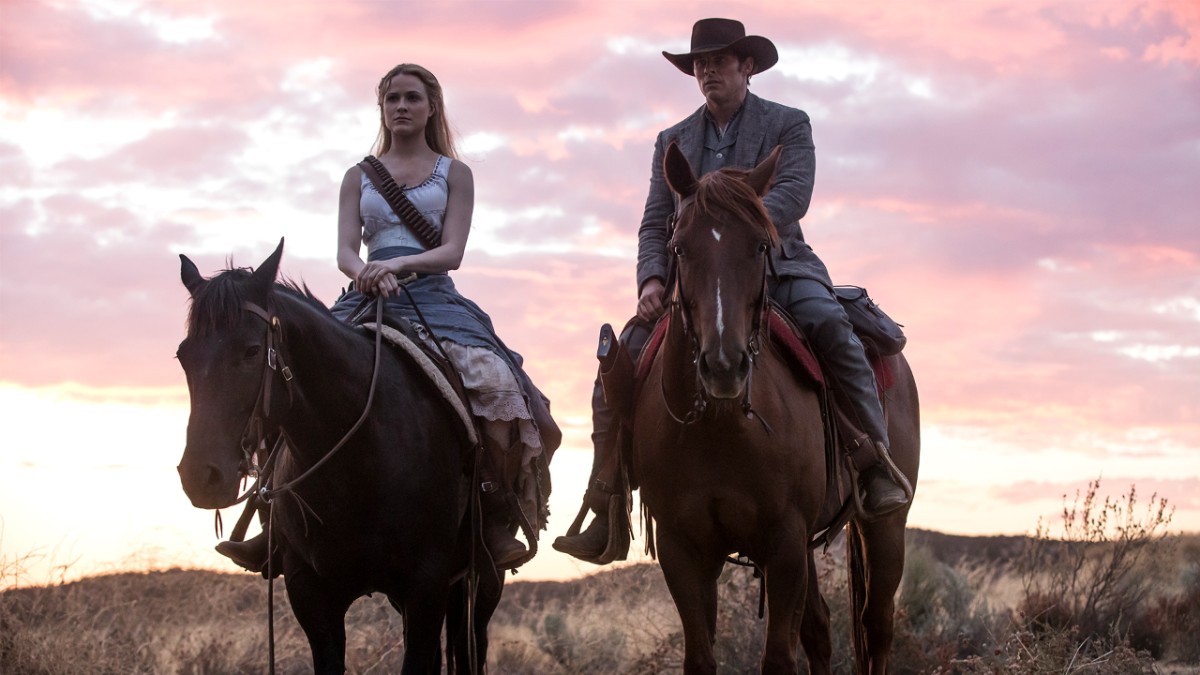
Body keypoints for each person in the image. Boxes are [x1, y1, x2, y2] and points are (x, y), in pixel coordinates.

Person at [553, 19, 909, 562]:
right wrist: (652, 277)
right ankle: (607, 499)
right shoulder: (672, 141)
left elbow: (792, 196)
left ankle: (874, 461)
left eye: (719, 60)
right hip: (692, 279)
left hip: (777, 265)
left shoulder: (790, 125)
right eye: (699, 63)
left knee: (832, 329)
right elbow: (655, 220)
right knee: (618, 363)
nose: (707, 70)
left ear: (747, 66)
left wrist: (734, 225)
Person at [217, 63, 559, 573]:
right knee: (297, 373)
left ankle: (492, 514)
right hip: (365, 296)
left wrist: (396, 264)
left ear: (431, 107)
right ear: (382, 108)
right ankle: (272, 515)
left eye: (412, 98)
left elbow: (452, 252)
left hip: (435, 297)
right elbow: (344, 253)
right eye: (393, 98)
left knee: (498, 382)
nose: (402, 106)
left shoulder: (455, 174)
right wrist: (366, 273)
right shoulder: (358, 175)